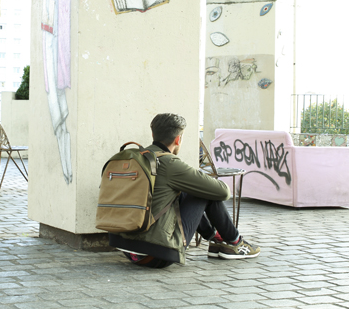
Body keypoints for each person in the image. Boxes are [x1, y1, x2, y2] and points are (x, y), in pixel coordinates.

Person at [109, 113, 260, 267]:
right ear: (178, 139)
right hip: (158, 254)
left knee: (185, 190)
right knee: (205, 190)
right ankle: (236, 242)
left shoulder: (137, 158)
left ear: (153, 134)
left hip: (129, 249)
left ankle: (216, 239)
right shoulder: (169, 163)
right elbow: (223, 192)